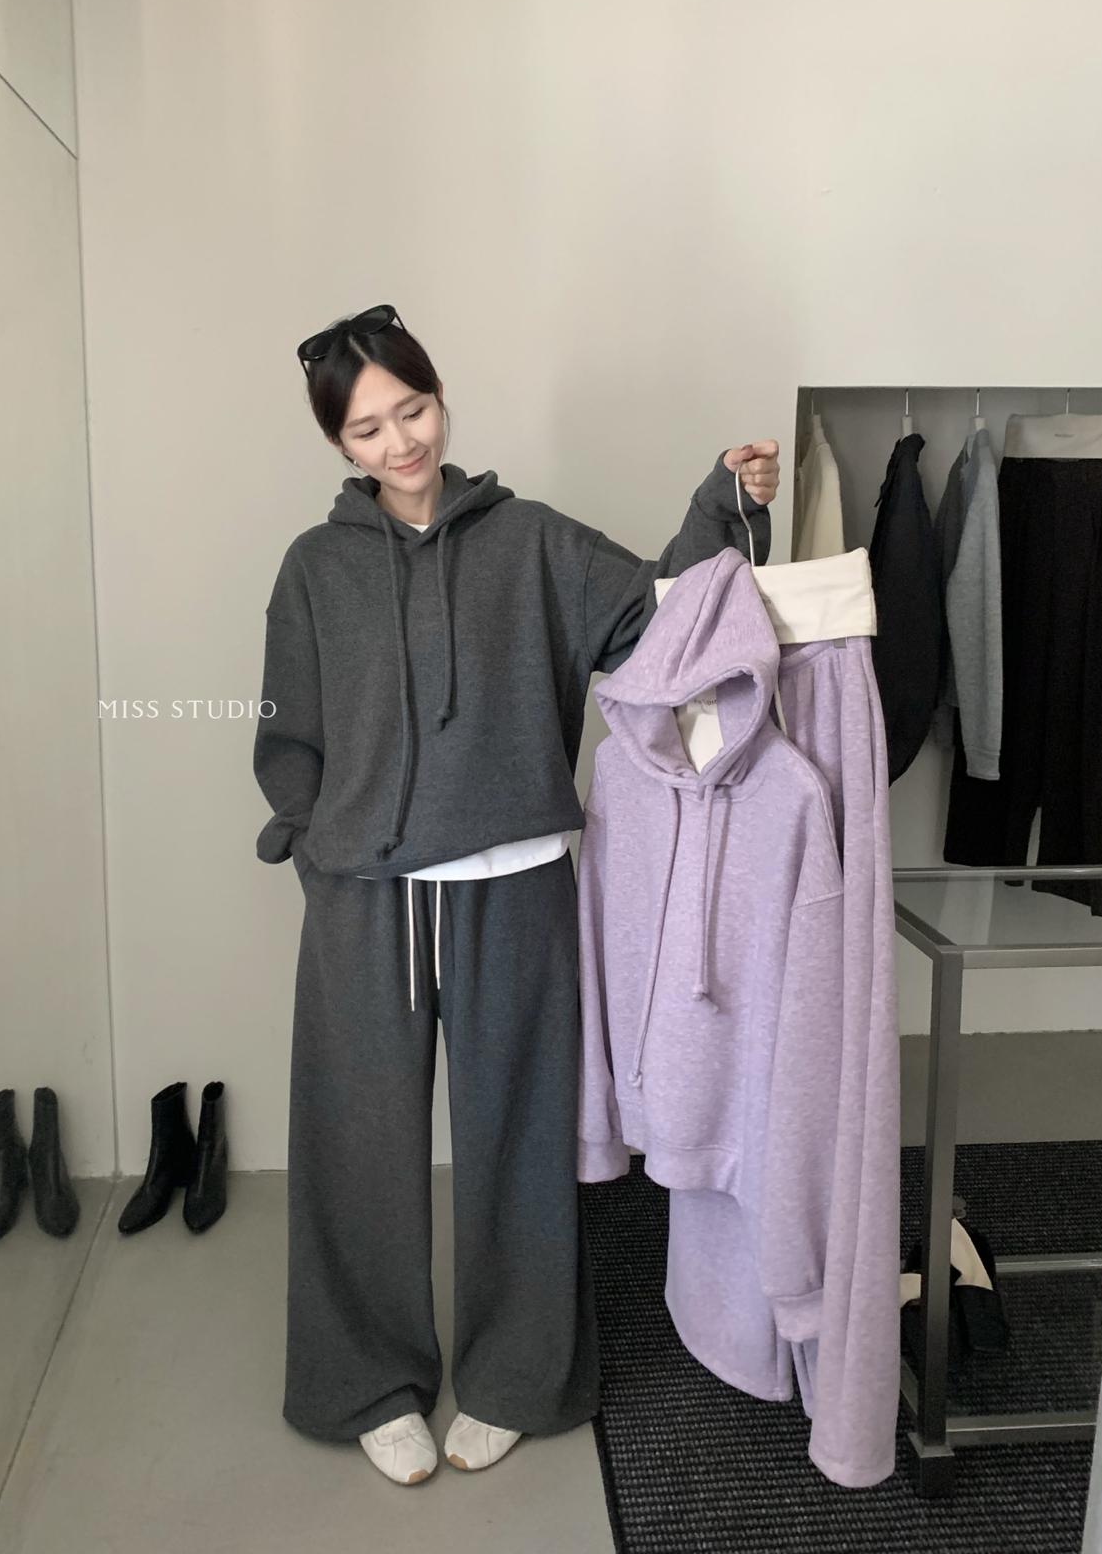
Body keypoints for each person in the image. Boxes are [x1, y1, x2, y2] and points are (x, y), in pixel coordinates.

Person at [253, 305, 778, 1485]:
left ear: (440, 398)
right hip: (365, 898)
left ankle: (515, 1375)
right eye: (368, 428)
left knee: (522, 1141)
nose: (400, 442)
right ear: (338, 443)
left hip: (518, 887)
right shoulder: (315, 568)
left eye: (412, 410)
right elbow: (288, 724)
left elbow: (659, 618)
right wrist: (307, 833)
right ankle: (367, 1379)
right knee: (354, 1147)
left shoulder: (532, 541)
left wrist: (720, 507)